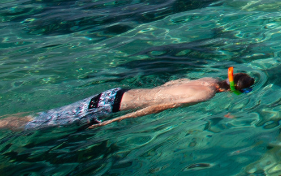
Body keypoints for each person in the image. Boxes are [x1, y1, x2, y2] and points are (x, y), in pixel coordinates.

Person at [0, 69, 254, 131]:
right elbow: (157, 107)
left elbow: (168, 87)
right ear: (233, 91)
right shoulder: (205, 95)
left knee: (46, 116)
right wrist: (112, 122)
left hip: (116, 93)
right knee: (34, 124)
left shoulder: (208, 80)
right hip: (110, 106)